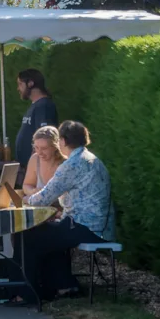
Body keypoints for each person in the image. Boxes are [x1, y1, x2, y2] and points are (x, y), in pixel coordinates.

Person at [21, 121, 115, 300]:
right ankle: (64, 286)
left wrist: (24, 199)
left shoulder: (71, 165)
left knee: (29, 235)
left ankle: (31, 292)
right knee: (50, 233)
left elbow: (42, 198)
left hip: (85, 227)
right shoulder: (92, 159)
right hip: (101, 227)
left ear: (62, 141)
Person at [15, 68, 58, 171]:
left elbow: (45, 137)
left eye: (20, 84)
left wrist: (35, 166)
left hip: (38, 169)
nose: (18, 88)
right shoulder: (35, 105)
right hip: (29, 167)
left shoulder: (44, 106)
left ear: (30, 83)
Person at [22, 126, 68, 205]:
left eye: (44, 148)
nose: (39, 152)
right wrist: (33, 191)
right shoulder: (35, 159)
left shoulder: (66, 163)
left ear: (55, 147)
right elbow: (26, 185)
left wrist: (31, 198)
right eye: (36, 147)